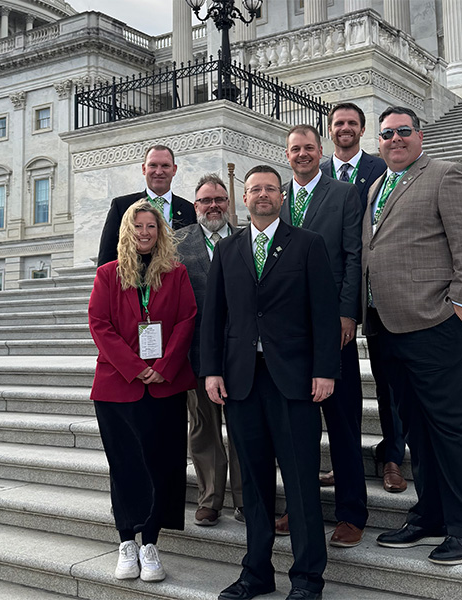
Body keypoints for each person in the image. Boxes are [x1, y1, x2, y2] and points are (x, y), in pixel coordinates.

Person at [201, 165, 340, 600]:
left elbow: (323, 312)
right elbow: (215, 317)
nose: (262, 195)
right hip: (242, 382)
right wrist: (211, 370)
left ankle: (307, 578)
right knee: (255, 485)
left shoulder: (308, 245)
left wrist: (325, 370)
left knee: (300, 483)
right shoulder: (227, 250)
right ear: (244, 198)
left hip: (294, 381)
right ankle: (256, 572)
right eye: (254, 189)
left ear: (282, 197)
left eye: (269, 189)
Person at [363, 106, 462, 566]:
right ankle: (431, 513)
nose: (394, 139)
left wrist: (458, 309)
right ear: (377, 143)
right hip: (388, 326)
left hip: (435, 325)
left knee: (449, 425)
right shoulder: (379, 185)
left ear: (419, 135)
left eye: (403, 131)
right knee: (416, 425)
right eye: (386, 134)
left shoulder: (446, 175)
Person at [88, 199, 198, 582]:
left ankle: (150, 542)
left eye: (151, 226)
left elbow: (187, 319)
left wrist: (163, 367)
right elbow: (100, 326)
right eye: (138, 227)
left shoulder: (176, 273)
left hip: (166, 386)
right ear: (127, 232)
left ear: (161, 231)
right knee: (125, 466)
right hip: (118, 388)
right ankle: (126, 542)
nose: (145, 233)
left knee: (163, 465)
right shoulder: (108, 274)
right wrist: (137, 369)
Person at [275, 124, 367, 549]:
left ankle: (351, 513)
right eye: (295, 149)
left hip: (334, 329)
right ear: (287, 154)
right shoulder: (277, 199)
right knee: (298, 429)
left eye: (309, 148)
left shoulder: (345, 194)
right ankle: (300, 506)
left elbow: (353, 257)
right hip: (290, 336)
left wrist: (348, 312)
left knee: (343, 424)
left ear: (321, 151)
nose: (302, 155)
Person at [319, 103, 407, 494]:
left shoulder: (380, 169)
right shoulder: (315, 174)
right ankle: (345, 461)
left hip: (377, 291)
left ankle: (392, 457)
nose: (345, 129)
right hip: (335, 294)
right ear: (330, 130)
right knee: (342, 388)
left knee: (390, 379)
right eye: (339, 124)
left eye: (352, 123)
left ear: (362, 129)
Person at [177, 173, 244, 526]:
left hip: (243, 354)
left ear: (228, 204)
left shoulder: (248, 239)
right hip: (197, 354)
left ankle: (246, 498)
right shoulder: (176, 245)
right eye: (205, 200)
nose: (213, 205)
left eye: (219, 199)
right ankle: (209, 498)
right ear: (195, 206)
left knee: (243, 428)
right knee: (203, 428)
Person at [97, 144, 196, 266]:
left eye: (165, 165)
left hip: (176, 281)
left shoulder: (189, 209)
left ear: (174, 169)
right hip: (133, 281)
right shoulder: (122, 206)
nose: (159, 172)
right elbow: (107, 254)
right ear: (144, 169)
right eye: (153, 165)